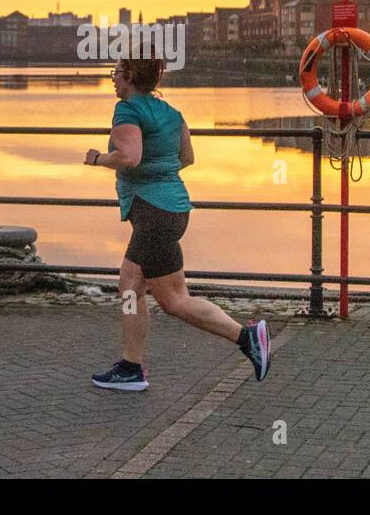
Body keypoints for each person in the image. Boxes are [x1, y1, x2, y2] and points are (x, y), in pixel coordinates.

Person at [83, 56, 270, 391]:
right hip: (172, 209)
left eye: (116, 72)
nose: (113, 79)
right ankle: (131, 366)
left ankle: (246, 337)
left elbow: (128, 158)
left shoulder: (128, 110)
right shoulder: (171, 113)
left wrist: (98, 159)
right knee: (135, 288)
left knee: (172, 300)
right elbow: (187, 158)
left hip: (153, 214)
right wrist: (160, 175)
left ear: (129, 76)